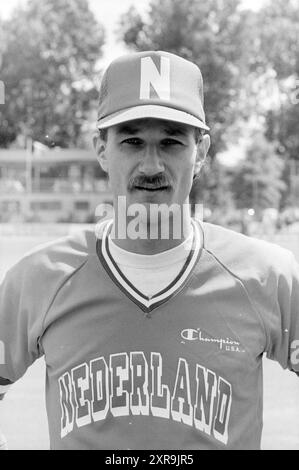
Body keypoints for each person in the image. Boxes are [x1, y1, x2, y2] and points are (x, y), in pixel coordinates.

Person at [0, 50, 298, 451]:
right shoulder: (40, 278)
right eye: (132, 141)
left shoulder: (268, 276)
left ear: (202, 152)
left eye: (172, 142)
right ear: (102, 149)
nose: (151, 164)